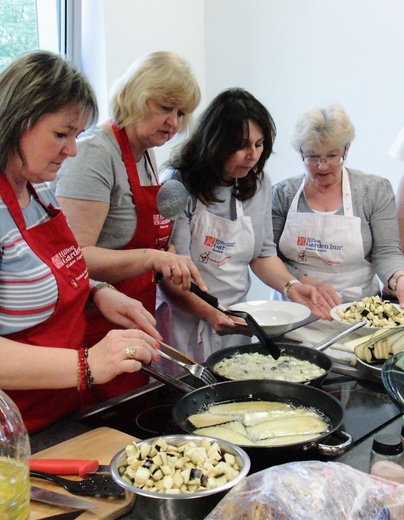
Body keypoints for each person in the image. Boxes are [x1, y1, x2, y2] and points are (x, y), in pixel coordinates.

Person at [0, 50, 171, 434]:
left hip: (59, 411)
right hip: (11, 430)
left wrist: (98, 291)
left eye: (76, 136)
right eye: (61, 134)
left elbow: (56, 268)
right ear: (14, 121)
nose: (72, 150)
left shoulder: (38, 193)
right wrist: (87, 365)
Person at [55, 51, 205, 395]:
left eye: (181, 113)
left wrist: (166, 254)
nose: (174, 122)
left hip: (129, 322)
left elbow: (147, 237)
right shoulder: (96, 152)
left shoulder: (145, 155)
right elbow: (74, 259)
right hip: (92, 327)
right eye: (165, 107)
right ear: (136, 95)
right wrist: (151, 258)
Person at [155, 88, 332, 363]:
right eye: (242, 145)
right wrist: (210, 314)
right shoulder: (177, 184)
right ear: (215, 142)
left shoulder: (258, 183)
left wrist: (291, 286)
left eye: (259, 145)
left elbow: (262, 254)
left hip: (236, 318)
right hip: (184, 320)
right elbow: (172, 273)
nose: (252, 156)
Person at [272, 101, 404, 308]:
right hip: (294, 308)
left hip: (358, 311)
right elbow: (270, 256)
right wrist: (303, 281)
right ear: (300, 152)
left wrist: (399, 279)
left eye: (332, 156)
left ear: (346, 149)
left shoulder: (373, 190)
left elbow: (386, 252)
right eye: (313, 157)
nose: (322, 166)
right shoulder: (283, 194)